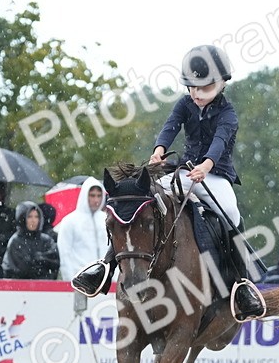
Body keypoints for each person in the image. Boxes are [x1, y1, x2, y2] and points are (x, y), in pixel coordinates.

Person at [71, 44, 267, 321]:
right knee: (141, 203)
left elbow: (220, 142)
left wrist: (206, 165)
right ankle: (105, 267)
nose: (197, 94)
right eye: (192, 87)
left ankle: (242, 284)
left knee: (232, 214)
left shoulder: (228, 114)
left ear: (223, 83)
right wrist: (160, 149)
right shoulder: (185, 104)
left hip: (214, 174)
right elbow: (171, 126)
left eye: (204, 87)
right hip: (183, 171)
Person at [55, 177, 108, 280]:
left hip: (105, 280)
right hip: (80, 279)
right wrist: (70, 279)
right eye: (92, 195)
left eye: (99, 195)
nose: (96, 200)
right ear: (84, 195)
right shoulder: (70, 221)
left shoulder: (106, 220)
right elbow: (64, 253)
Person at [2, 202, 60, 280]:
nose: (33, 220)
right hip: (19, 288)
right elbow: (20, 269)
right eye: (29, 217)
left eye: (36, 217)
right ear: (22, 218)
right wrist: (39, 261)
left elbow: (55, 262)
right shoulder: (16, 241)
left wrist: (40, 260)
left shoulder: (46, 240)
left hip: (45, 287)